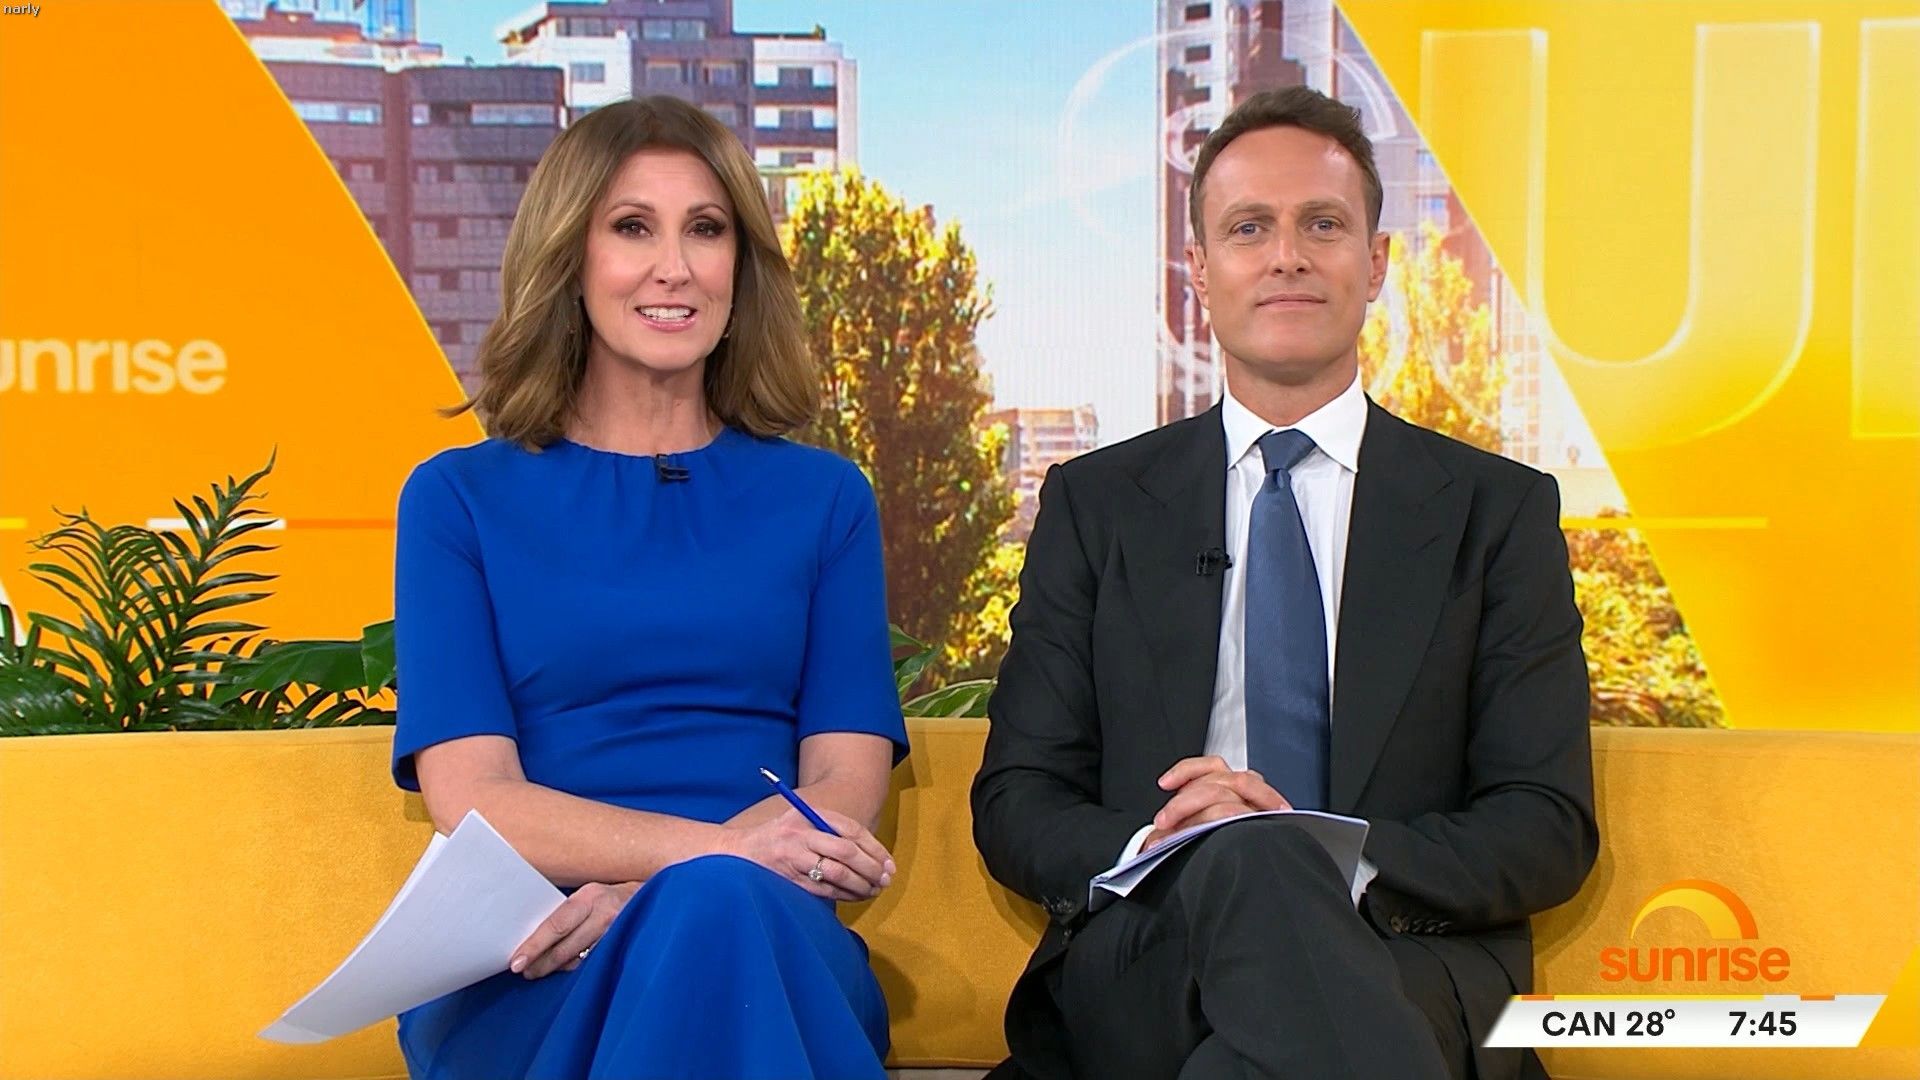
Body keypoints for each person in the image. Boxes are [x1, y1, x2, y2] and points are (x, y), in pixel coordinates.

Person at [971, 85, 1597, 1080]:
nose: (1287, 256)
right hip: (1153, 949)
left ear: (1376, 263)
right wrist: (1177, 843)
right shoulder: (1097, 505)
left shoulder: (1496, 512)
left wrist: (1313, 851)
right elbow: (1019, 799)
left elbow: (1545, 825)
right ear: (1199, 271)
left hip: (1403, 955)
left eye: (1323, 224)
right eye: (1249, 227)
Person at [390, 95, 907, 1080]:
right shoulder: (457, 499)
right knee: (711, 908)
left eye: (705, 230)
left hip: (768, 929)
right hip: (539, 946)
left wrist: (665, 894)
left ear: (740, 267)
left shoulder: (825, 499)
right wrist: (710, 862)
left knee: (717, 917)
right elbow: (475, 799)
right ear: (569, 259)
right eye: (633, 228)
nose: (674, 266)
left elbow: (843, 784)